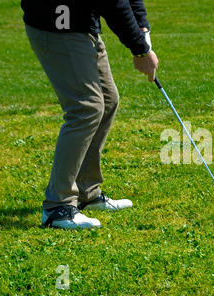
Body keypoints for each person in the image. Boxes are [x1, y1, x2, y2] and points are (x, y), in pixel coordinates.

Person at [21, 0, 159, 229]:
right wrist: (140, 50)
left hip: (83, 25)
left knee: (107, 100)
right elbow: (113, 3)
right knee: (85, 108)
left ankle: (87, 191)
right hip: (57, 26)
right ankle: (57, 206)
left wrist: (142, 25)